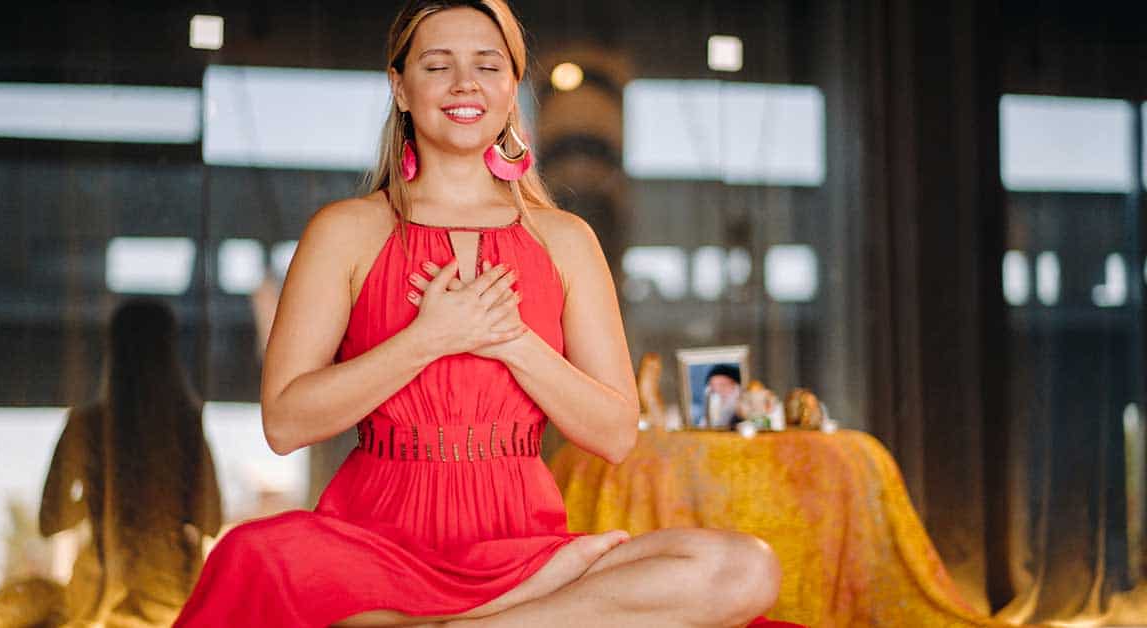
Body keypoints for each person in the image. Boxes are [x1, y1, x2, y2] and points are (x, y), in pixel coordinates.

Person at [175, 1, 792, 626]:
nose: (465, 84)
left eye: (487, 66)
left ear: (510, 88)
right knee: (252, 553)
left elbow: (614, 432)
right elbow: (285, 422)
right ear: (401, 88)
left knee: (746, 566)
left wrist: (513, 341)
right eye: (438, 66)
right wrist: (428, 338)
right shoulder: (346, 230)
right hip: (375, 546)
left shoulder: (565, 239)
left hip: (529, 553)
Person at [40, 298, 222, 626]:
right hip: (171, 588)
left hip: (101, 592)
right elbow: (210, 518)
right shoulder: (185, 424)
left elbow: (50, 520)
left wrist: (98, 500)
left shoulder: (86, 424)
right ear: (169, 353)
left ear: (114, 351)